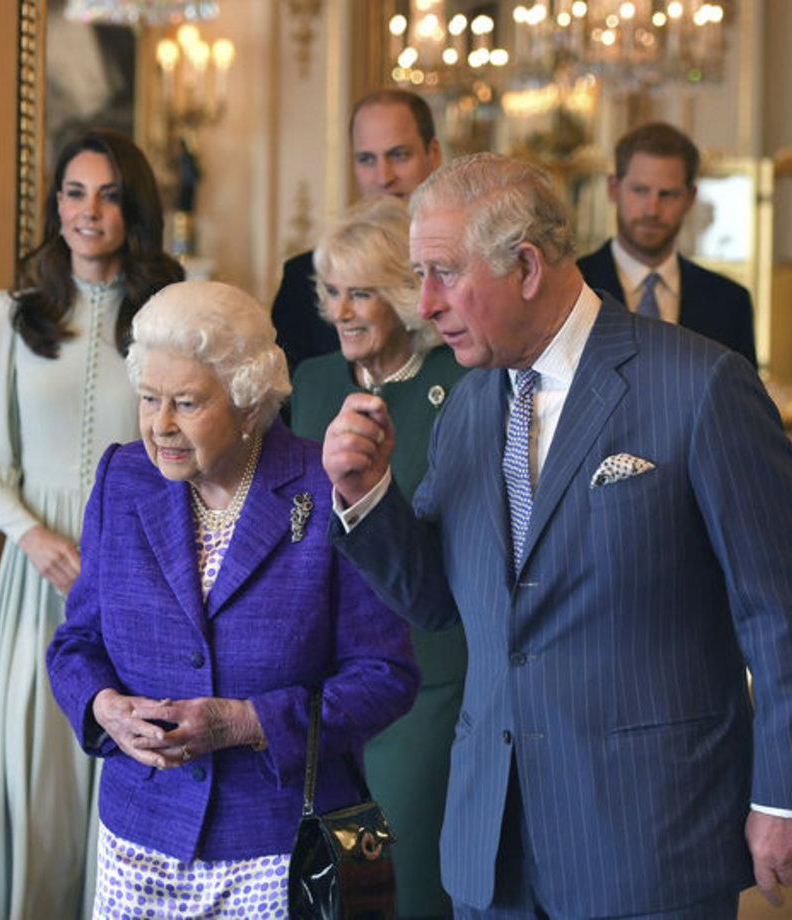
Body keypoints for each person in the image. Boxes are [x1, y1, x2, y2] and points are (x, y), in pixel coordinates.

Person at [322, 153, 792, 917]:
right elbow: (435, 601)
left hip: (651, 839)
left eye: (444, 274)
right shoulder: (468, 406)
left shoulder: (701, 386)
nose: (424, 304)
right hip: (493, 844)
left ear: (527, 266)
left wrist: (789, 797)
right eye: (420, 276)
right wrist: (367, 496)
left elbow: (786, 611)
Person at [45, 280, 419, 918]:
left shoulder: (325, 485)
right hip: (139, 840)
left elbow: (387, 676)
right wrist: (104, 707)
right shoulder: (122, 478)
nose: (160, 425)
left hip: (282, 847)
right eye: (149, 399)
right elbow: (76, 643)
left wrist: (247, 723)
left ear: (248, 403)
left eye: (187, 403)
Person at [0, 127, 185, 920]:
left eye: (109, 195)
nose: (89, 210)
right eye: (75, 192)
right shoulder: (16, 314)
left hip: (140, 577)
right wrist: (31, 535)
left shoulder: (167, 317)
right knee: (36, 770)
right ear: (55, 205)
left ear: (133, 208)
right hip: (36, 574)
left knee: (122, 765)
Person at [288, 194, 468, 919]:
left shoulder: (461, 382)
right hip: (326, 687)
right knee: (342, 888)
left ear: (403, 291)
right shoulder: (312, 382)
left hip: (427, 679)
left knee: (410, 884)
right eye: (332, 291)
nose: (341, 311)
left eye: (361, 292)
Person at [271, 88, 443, 378]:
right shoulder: (303, 278)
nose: (383, 177)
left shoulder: (465, 270)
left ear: (433, 154)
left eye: (399, 155)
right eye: (366, 159)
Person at [577, 121, 758, 366]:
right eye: (640, 190)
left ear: (690, 198)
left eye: (668, 194)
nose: (652, 210)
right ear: (613, 189)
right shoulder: (574, 287)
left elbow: (739, 390)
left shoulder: (730, 302)